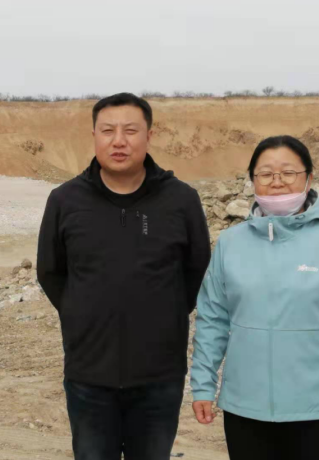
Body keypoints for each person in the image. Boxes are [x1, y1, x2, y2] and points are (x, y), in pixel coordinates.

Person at [37, 92, 211, 460]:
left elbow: (196, 269)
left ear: (149, 135)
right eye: (108, 131)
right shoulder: (65, 200)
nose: (119, 141)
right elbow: (51, 271)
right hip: (88, 374)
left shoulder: (181, 200)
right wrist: (82, 312)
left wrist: (163, 313)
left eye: (130, 131)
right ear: (94, 136)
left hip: (159, 376)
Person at [190, 135, 319, 460]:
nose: (277, 182)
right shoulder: (230, 244)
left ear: (309, 178)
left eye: (288, 172)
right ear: (252, 180)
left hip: (315, 408)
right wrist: (203, 385)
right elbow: (212, 320)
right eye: (265, 173)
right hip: (243, 406)